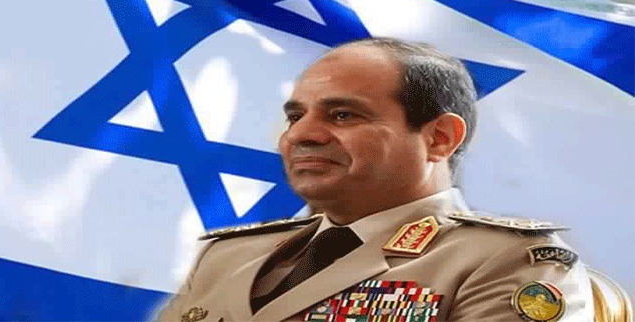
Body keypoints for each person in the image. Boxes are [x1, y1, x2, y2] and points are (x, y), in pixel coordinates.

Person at [154, 37, 592, 322]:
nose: (301, 135)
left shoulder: (506, 259)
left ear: (439, 138)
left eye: (343, 115)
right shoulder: (227, 256)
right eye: (295, 116)